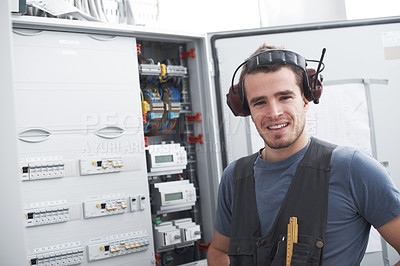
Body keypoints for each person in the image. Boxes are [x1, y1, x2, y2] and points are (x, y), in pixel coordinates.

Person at [207, 44, 400, 265]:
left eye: (285, 97)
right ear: (248, 111)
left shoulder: (353, 169)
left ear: (305, 100)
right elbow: (218, 251)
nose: (274, 112)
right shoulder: (235, 178)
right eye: (260, 102)